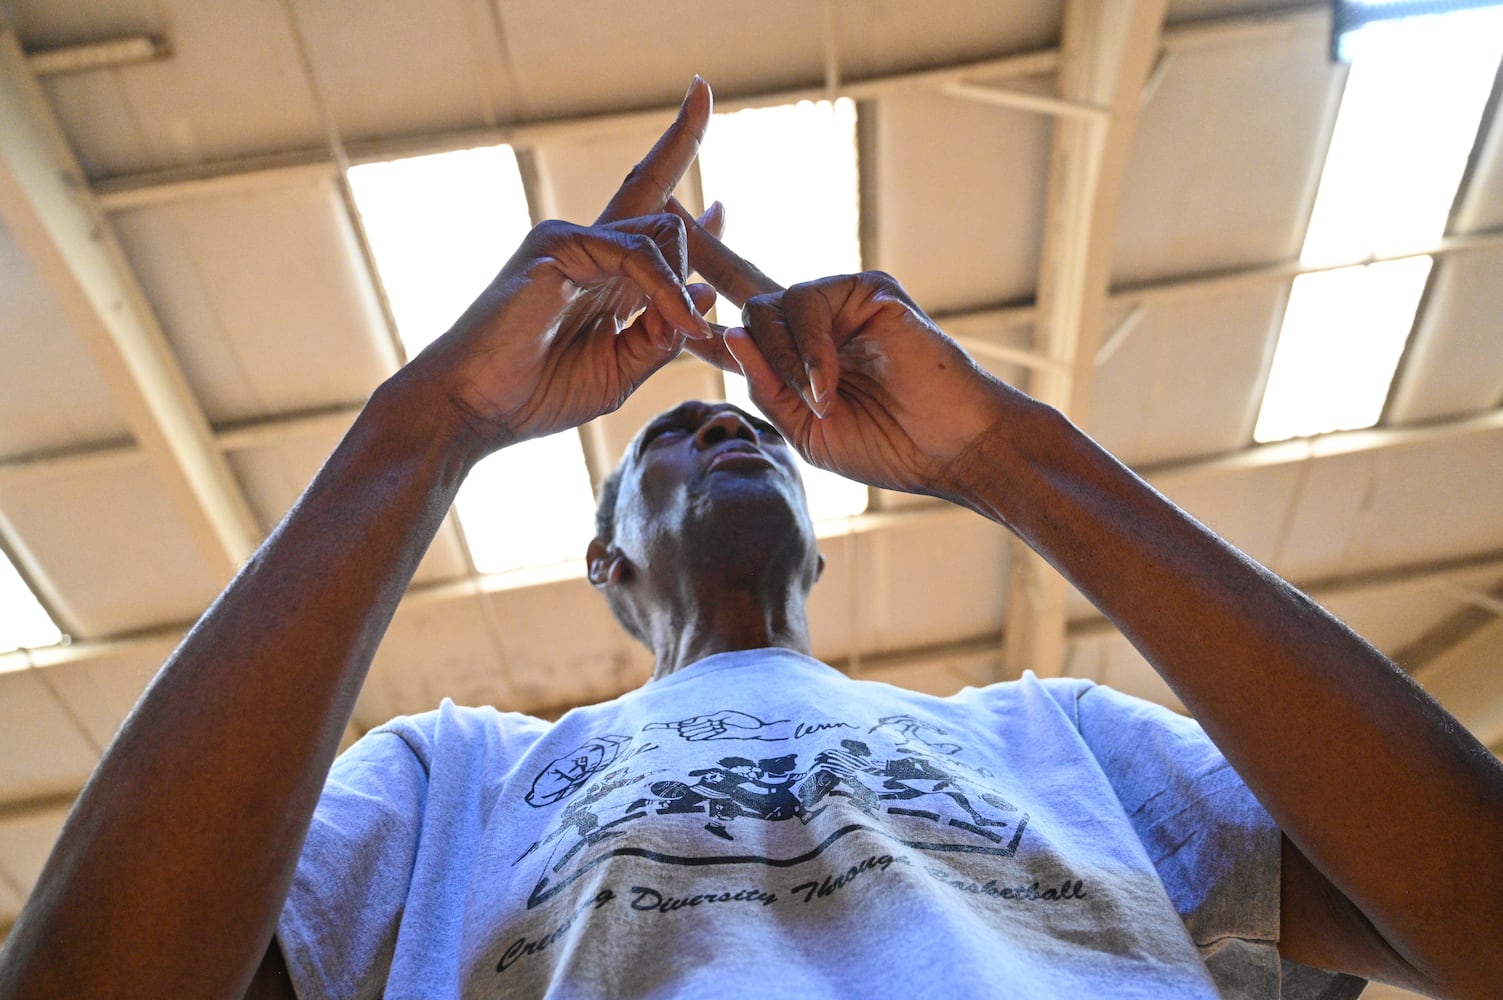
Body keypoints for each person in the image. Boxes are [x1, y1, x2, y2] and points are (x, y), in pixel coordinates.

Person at [1, 77, 1500, 999]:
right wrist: (433, 422)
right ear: (606, 566)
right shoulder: (450, 782)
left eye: (747, 431)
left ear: (822, 550)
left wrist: (1007, 460)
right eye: (668, 434)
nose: (723, 427)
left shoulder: (1063, 742)